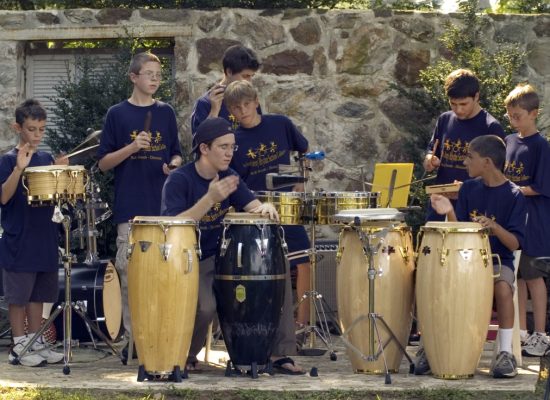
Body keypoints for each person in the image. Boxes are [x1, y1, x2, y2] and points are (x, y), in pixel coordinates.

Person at [161, 117, 303, 375]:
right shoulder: (179, 180)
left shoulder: (229, 176)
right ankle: (186, 355)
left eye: (232, 147)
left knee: (275, 277)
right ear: (204, 149)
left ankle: (280, 353)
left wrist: (264, 208)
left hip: (227, 257)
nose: (229, 153)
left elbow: (252, 205)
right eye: (223, 147)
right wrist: (210, 198)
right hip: (192, 258)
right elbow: (174, 225)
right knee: (206, 307)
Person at [97, 52, 183, 357]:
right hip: (130, 208)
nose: (155, 79)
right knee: (131, 278)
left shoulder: (166, 112)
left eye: (158, 74)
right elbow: (104, 163)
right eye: (149, 74)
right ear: (134, 77)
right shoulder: (117, 114)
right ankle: (136, 344)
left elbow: (176, 153)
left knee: (165, 276)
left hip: (164, 209)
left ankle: (165, 339)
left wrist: (172, 165)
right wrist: (133, 147)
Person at [424, 135, 526, 378]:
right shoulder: (469, 188)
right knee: (433, 281)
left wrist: (493, 227)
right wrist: (448, 211)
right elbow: (458, 230)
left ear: (487, 162)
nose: (465, 161)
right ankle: (434, 349)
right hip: (464, 262)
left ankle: (504, 354)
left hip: (498, 261)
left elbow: (514, 243)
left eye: (470, 157)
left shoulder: (514, 195)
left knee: (502, 288)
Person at [223, 80, 312, 333]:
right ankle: (263, 323)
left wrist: (301, 181)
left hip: (287, 205)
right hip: (255, 210)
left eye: (247, 104)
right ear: (230, 111)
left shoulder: (280, 124)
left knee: (303, 261)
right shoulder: (234, 141)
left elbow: (304, 150)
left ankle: (302, 325)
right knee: (261, 268)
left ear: (256, 101)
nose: (243, 111)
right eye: (237, 107)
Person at [0, 99, 66, 366]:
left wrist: (62, 172)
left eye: (41, 129)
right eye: (31, 129)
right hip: (19, 238)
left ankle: (35, 341)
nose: (37, 135)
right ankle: (19, 345)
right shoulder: (6, 160)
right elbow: (4, 197)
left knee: (40, 293)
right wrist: (19, 167)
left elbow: (58, 197)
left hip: (45, 236)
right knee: (19, 296)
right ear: (18, 127)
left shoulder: (45, 158)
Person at [503, 83, 550, 357]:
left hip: (535, 220)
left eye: (518, 116)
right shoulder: (509, 141)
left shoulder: (542, 146)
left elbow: (542, 186)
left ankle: (541, 335)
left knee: (533, 276)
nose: (513, 121)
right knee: (517, 277)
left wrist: (513, 189)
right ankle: (520, 331)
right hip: (515, 219)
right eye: (510, 116)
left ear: (534, 113)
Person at [423, 68, 506, 221]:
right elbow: (432, 149)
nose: (458, 109)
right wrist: (430, 159)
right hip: (439, 203)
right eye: (453, 104)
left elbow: (498, 174)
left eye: (463, 104)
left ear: (476, 97)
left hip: (473, 206)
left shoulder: (490, 127)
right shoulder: (444, 119)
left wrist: (469, 186)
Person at [190, 44, 261, 134]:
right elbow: (199, 143)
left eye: (251, 76)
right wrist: (214, 111)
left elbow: (259, 132)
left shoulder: (250, 98)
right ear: (229, 72)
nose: (249, 81)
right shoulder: (205, 103)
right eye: (245, 76)